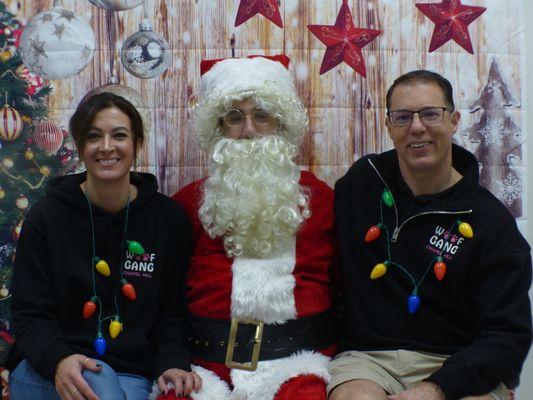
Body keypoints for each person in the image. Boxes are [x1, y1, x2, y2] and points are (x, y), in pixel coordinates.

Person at [330, 70, 532, 400]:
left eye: (430, 114)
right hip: (367, 360)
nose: (417, 127)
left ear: (453, 120)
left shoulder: (491, 224)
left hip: (457, 361)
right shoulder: (361, 184)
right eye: (402, 116)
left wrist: (437, 388)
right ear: (388, 127)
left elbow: (507, 335)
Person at [152, 55, 336, 400]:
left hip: (298, 363)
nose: (249, 130)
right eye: (235, 117)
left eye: (262, 115)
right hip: (204, 367)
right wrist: (173, 360)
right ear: (218, 127)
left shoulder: (322, 200)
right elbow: (166, 301)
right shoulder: (187, 204)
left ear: (280, 123)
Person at [8, 92, 201, 399]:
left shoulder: (168, 220)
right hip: (50, 368)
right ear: (81, 146)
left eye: (119, 135)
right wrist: (58, 359)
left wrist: (173, 362)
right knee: (101, 386)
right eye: (94, 136)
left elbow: (173, 312)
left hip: (132, 374)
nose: (107, 147)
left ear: (137, 143)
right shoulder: (47, 217)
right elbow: (29, 314)